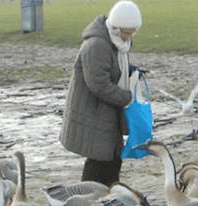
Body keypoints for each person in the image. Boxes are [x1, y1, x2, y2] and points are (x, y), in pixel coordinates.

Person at [59, 1, 142, 186]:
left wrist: (131, 71)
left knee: (112, 159)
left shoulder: (118, 42)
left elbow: (113, 68)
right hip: (93, 113)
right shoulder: (96, 45)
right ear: (117, 25)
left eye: (133, 31)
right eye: (128, 31)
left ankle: (107, 201)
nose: (131, 35)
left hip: (107, 114)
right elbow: (98, 84)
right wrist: (127, 98)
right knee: (99, 162)